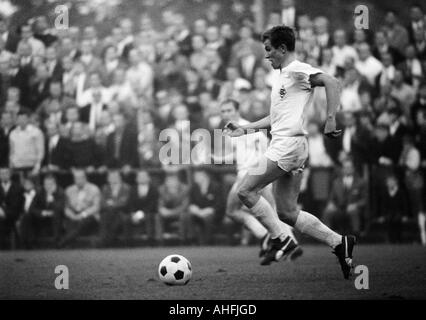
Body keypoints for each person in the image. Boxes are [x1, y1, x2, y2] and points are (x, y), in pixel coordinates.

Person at [225, 26, 355, 279]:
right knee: (286, 211)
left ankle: (282, 239)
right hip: (289, 145)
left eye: (269, 49)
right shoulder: (283, 76)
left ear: (282, 48)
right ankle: (340, 242)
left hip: (288, 146)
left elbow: (331, 81)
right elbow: (275, 118)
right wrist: (245, 129)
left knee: (245, 191)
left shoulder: (296, 69)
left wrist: (330, 118)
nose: (266, 56)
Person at [216, 99, 301, 261]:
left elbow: (258, 152)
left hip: (248, 173)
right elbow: (249, 151)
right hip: (260, 172)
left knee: (232, 211)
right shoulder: (250, 127)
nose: (226, 114)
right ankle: (291, 243)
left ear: (237, 110)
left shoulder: (237, 128)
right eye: (223, 111)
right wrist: (218, 158)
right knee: (273, 210)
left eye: (229, 110)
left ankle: (265, 235)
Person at [59, 168, 101, 248]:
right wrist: (72, 216)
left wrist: (82, 215)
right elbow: (66, 207)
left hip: (88, 215)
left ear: (85, 178)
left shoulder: (94, 189)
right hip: (73, 215)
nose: (78, 180)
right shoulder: (69, 190)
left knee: (83, 222)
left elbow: (96, 207)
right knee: (69, 221)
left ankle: (63, 242)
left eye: (80, 178)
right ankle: (68, 242)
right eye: (76, 178)